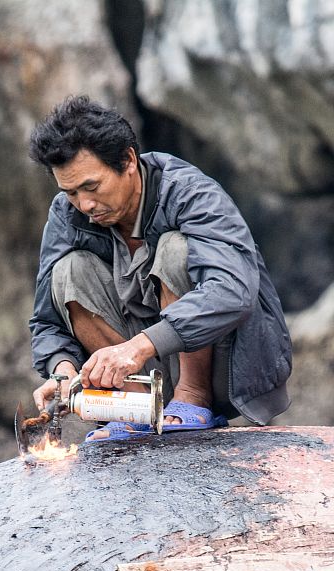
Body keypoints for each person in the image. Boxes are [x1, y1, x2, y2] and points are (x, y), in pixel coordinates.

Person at [28, 95, 292, 440]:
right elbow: (47, 322)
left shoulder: (189, 193)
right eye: (72, 192)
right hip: (144, 377)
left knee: (174, 248)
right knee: (69, 270)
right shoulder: (66, 214)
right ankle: (134, 409)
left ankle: (191, 397)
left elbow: (233, 290)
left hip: (227, 371)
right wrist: (62, 372)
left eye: (91, 187)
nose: (85, 204)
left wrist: (137, 347)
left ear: (128, 161)